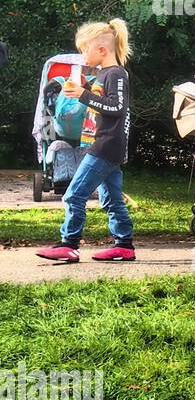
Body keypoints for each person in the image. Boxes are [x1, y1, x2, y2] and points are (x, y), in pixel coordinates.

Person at [36, 20, 136, 263]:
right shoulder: (102, 75)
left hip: (107, 146)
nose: (82, 55)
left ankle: (69, 244)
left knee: (74, 195)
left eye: (84, 49)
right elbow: (96, 102)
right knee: (111, 198)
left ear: (101, 49)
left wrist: (84, 94)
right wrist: (82, 90)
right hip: (103, 145)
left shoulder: (116, 74)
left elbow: (117, 107)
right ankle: (124, 245)